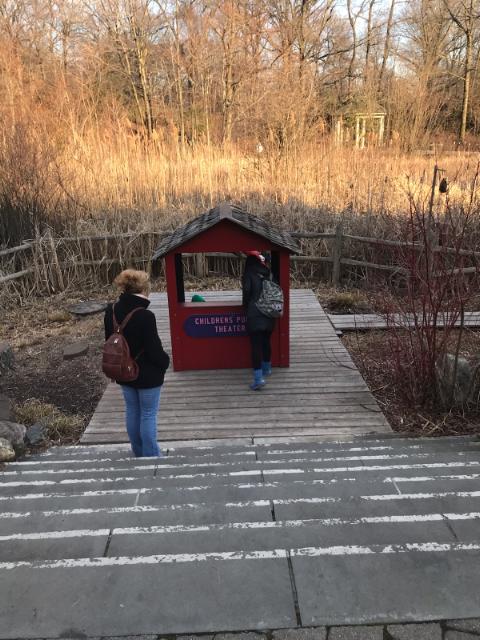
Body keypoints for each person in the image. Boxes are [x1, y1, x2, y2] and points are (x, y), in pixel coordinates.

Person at [104, 269, 170, 457]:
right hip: (147, 375)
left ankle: (139, 452)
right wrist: (165, 362)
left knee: (132, 411)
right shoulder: (145, 316)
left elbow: (108, 340)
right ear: (143, 288)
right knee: (148, 414)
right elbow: (154, 351)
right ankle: (151, 456)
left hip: (123, 371)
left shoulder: (111, 310)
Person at [242, 251, 275, 390]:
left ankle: (258, 379)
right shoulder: (269, 273)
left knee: (256, 346)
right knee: (266, 341)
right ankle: (267, 369)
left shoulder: (249, 273)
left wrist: (245, 307)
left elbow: (247, 292)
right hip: (269, 313)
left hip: (255, 313)